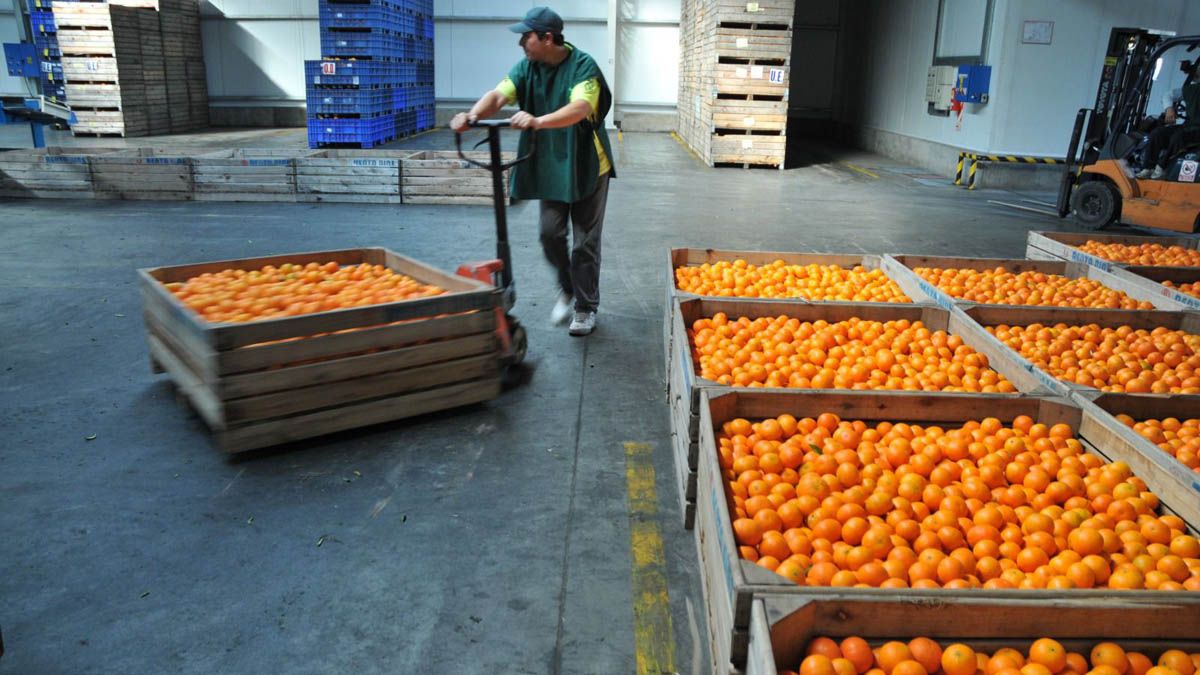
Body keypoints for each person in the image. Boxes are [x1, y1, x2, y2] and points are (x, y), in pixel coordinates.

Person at [450, 6, 615, 336]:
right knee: (549, 233)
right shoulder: (528, 66)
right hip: (552, 163)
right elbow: (499, 95)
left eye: (526, 36)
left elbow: (580, 108)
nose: (521, 43)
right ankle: (568, 286)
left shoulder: (583, 66)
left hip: (587, 163)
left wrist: (538, 120)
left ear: (547, 38)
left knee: (584, 242)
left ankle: (585, 307)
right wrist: (472, 116)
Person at [1137, 61, 1200, 179]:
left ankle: (1161, 167)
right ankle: (1148, 167)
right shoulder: (1192, 90)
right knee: (1157, 133)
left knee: (1178, 137)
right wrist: (1169, 109)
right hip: (1189, 127)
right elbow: (1168, 95)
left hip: (1196, 130)